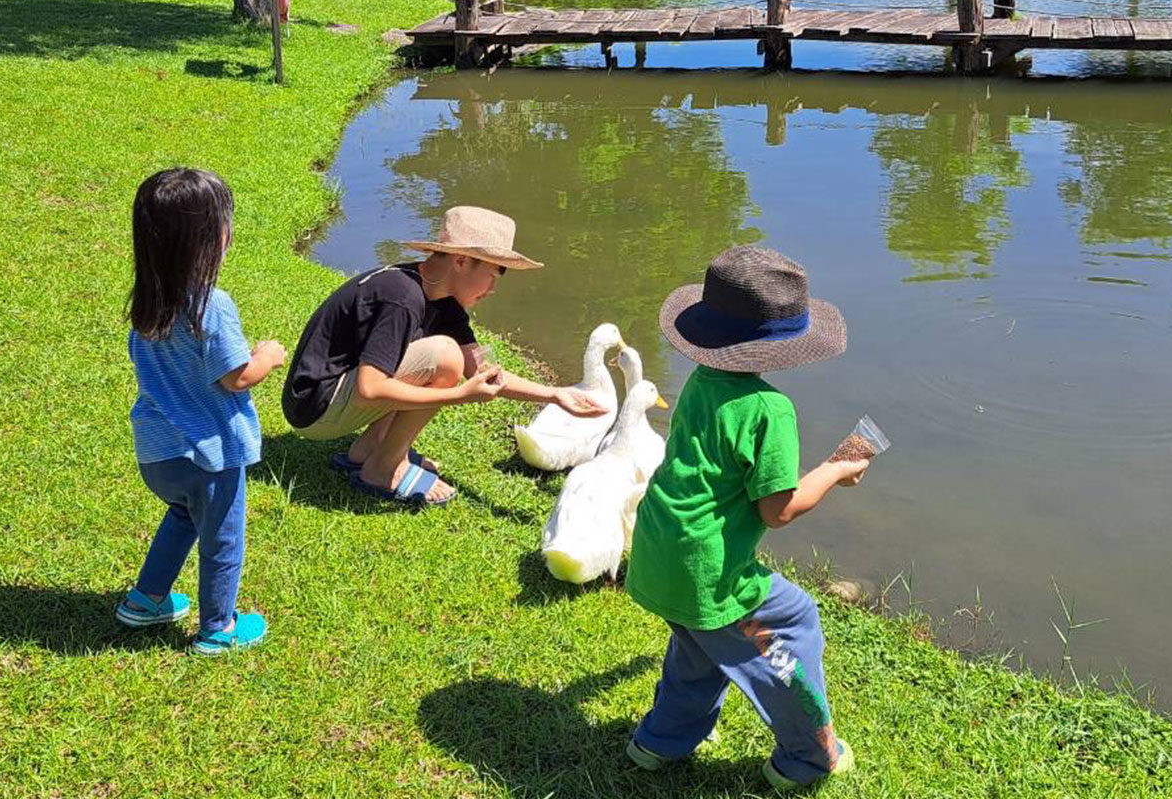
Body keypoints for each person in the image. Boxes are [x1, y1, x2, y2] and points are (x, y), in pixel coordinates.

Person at [624, 245, 868, 791]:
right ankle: (809, 756)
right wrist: (834, 469)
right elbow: (778, 511)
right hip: (708, 569)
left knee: (700, 645)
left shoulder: (700, 384)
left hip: (661, 545)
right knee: (794, 620)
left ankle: (659, 742)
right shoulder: (769, 409)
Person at [281, 206, 606, 507]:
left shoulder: (444, 302)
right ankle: (382, 469)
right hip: (315, 408)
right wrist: (459, 396)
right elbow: (369, 389)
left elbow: (482, 371)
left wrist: (554, 394)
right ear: (461, 261)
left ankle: (366, 452)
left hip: (336, 396)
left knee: (441, 356)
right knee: (444, 356)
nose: (493, 288)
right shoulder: (402, 297)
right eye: (493, 274)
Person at [117, 168, 287, 655]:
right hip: (209, 455)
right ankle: (218, 629)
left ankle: (146, 600)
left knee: (184, 518)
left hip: (158, 455)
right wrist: (268, 356)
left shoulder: (147, 302)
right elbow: (236, 376)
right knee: (224, 540)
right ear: (213, 240)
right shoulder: (211, 306)